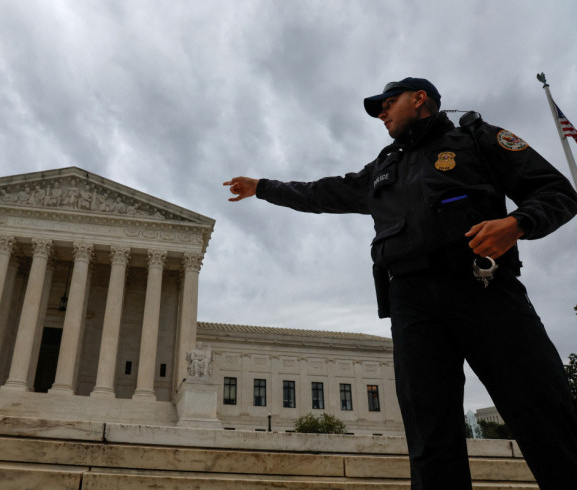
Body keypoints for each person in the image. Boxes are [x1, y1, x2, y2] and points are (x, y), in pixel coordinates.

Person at [224, 77, 577, 489]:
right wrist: (263, 188)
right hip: (412, 304)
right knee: (429, 433)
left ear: (420, 98)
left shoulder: (476, 139)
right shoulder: (383, 168)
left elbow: (557, 192)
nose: (382, 114)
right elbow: (322, 193)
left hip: (483, 287)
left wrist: (518, 224)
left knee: (542, 411)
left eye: (388, 103)